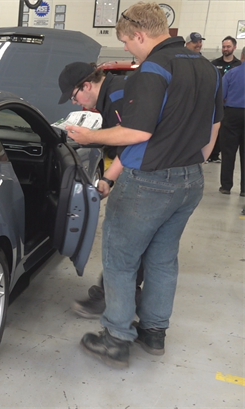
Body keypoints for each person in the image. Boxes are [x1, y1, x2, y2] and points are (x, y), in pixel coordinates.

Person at [66, 2, 222, 368]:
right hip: (190, 180)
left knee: (120, 259)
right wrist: (189, 160)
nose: (126, 49)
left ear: (139, 34)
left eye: (125, 41)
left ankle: (117, 338)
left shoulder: (152, 69)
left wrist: (89, 137)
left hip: (150, 181)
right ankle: (154, 333)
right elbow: (213, 130)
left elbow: (136, 131)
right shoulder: (206, 67)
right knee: (163, 260)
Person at [56, 62, 145, 319]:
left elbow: (131, 140)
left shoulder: (117, 95)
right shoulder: (115, 90)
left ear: (86, 85)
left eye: (74, 96)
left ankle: (113, 299)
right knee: (137, 242)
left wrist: (91, 140)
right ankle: (123, 292)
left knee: (120, 239)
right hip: (145, 170)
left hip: (143, 174)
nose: (75, 103)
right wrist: (109, 179)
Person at [209, 36, 241, 163]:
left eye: (228, 46)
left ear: (234, 47)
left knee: (225, 131)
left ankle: (219, 153)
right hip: (215, 103)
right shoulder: (214, 64)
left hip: (230, 106)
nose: (225, 49)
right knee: (214, 127)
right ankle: (212, 154)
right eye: (223, 46)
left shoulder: (238, 65)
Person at [218, 48, 245, 196]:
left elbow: (222, 95)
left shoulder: (232, 73)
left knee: (228, 151)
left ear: (242, 56)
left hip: (232, 114)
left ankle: (226, 186)